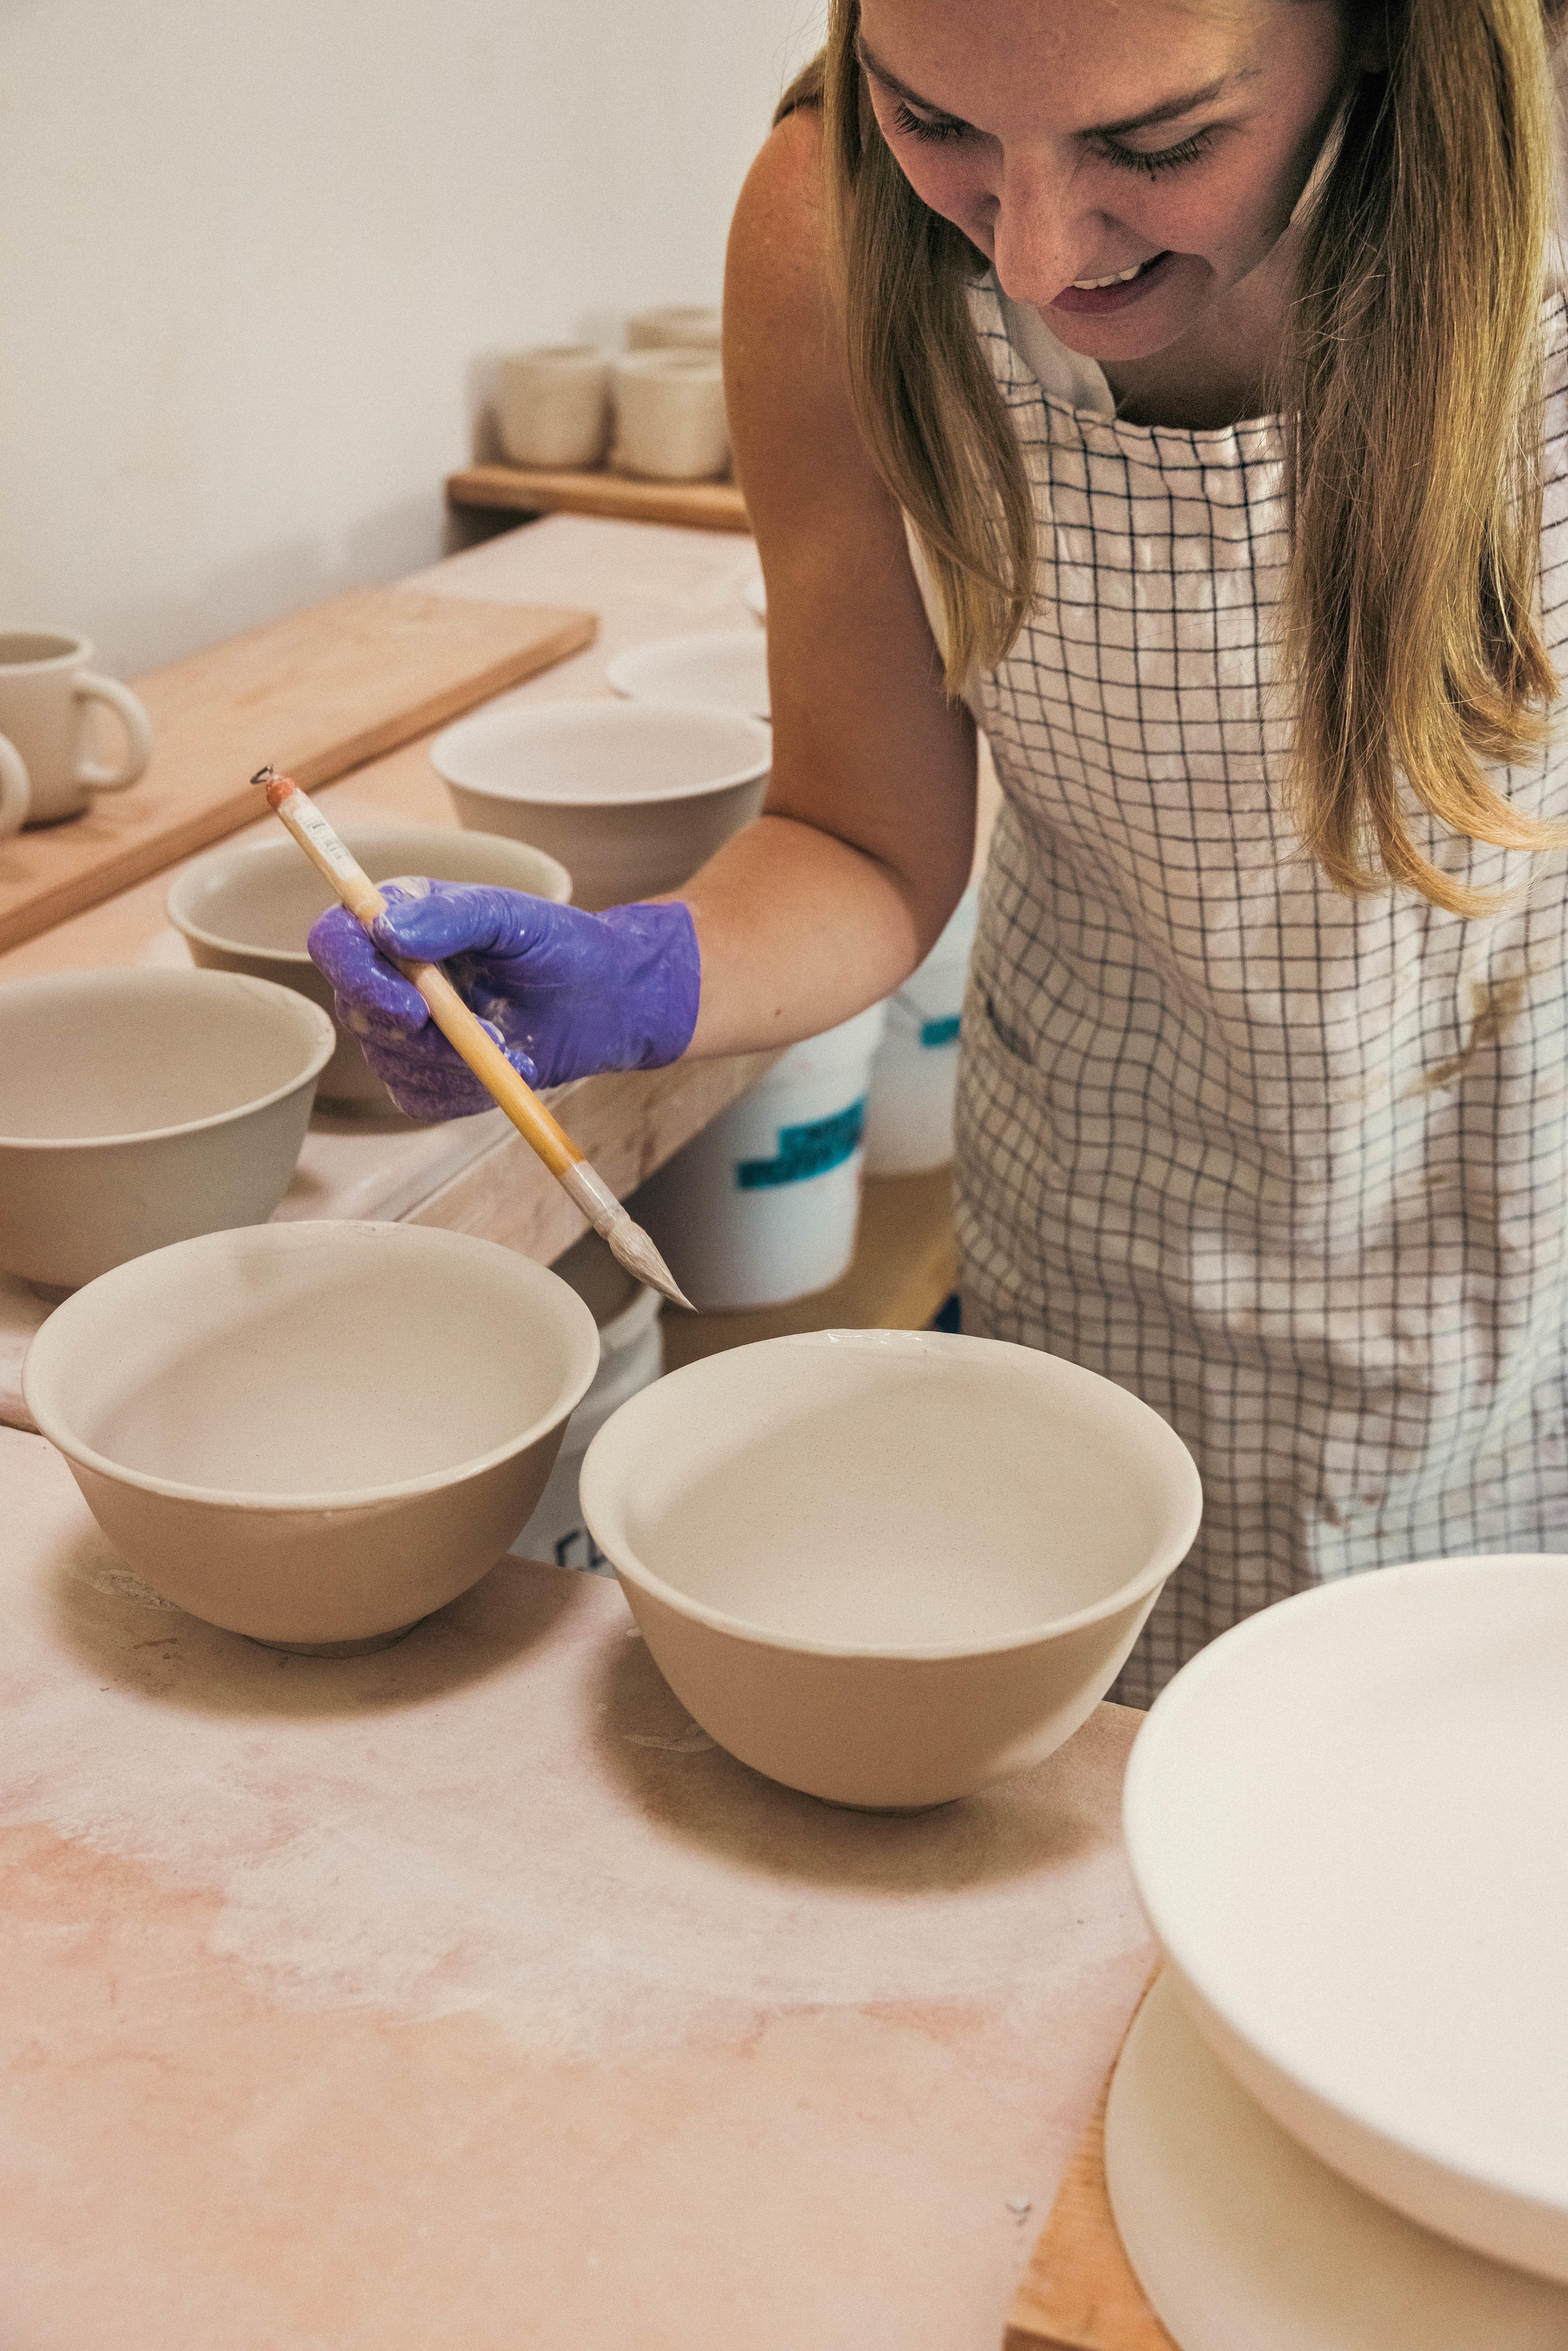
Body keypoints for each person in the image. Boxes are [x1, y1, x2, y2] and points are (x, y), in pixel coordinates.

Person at [313, 0, 1568, 1704]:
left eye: (1162, 144)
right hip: (1122, 1236)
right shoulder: (834, 236)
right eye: (938, 123)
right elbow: (862, 833)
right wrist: (649, 974)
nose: (1041, 251)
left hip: (1532, 1249)